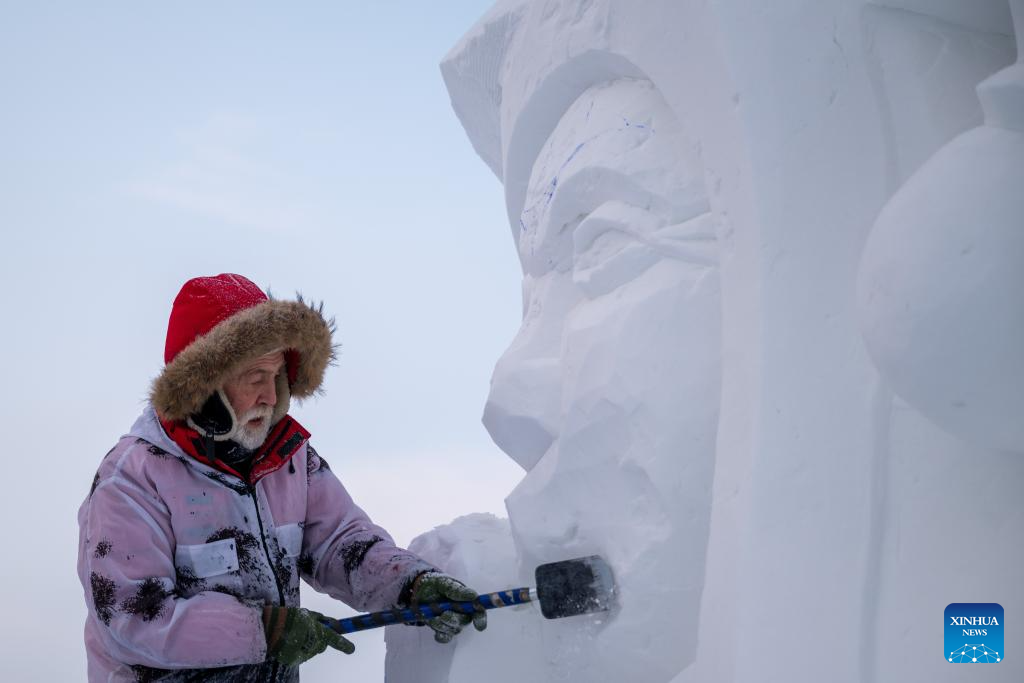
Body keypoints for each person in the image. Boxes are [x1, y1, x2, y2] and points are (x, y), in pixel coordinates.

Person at [77, 273, 486, 682]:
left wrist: (410, 584)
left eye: (277, 377)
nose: (271, 397)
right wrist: (265, 630)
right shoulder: (131, 481)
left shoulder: (290, 459)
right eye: (255, 377)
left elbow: (340, 543)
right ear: (203, 387)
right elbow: (134, 616)